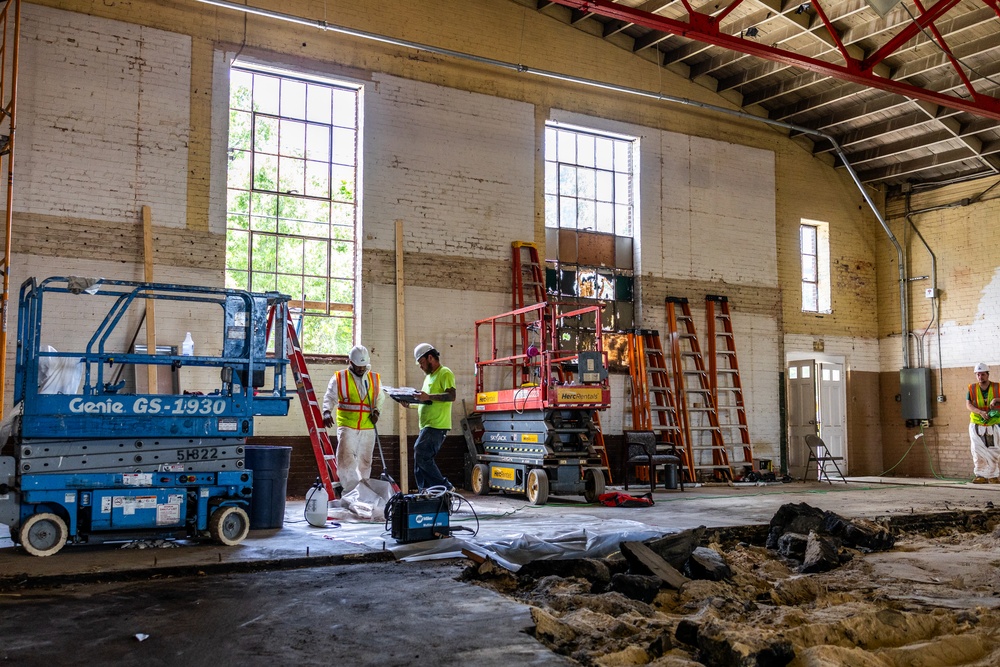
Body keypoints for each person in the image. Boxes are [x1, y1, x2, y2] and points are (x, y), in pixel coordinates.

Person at [322, 345, 385, 495]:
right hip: (347, 425)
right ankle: (349, 491)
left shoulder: (374, 378)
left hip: (368, 426)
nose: (361, 369)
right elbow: (330, 396)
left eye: (364, 366)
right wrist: (326, 412)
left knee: (365, 461)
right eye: (358, 366)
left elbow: (380, 398)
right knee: (346, 459)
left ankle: (362, 491)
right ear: (350, 362)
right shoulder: (340, 377)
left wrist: (376, 411)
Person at [410, 343, 457, 492]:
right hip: (427, 425)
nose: (420, 367)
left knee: (421, 453)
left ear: (430, 357)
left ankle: (444, 487)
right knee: (419, 460)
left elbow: (451, 395)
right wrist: (410, 404)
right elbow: (428, 401)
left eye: (422, 363)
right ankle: (424, 493)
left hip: (437, 425)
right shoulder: (429, 377)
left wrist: (428, 396)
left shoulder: (445, 373)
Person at [965, 362, 1000, 484]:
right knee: (977, 449)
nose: (980, 377)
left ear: (988, 374)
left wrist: (997, 400)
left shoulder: (997, 387)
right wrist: (980, 412)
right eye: (978, 375)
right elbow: (968, 404)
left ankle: (994, 475)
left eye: (983, 374)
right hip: (977, 423)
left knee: (993, 449)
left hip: (993, 423)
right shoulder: (972, 388)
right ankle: (980, 475)